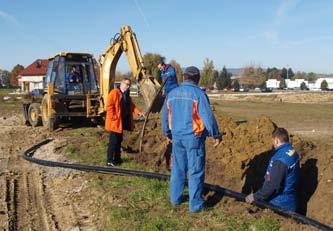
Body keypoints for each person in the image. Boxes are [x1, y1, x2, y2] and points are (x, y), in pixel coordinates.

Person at [162, 66, 222, 213]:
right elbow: (207, 117)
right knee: (195, 171)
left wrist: (167, 133)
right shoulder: (199, 94)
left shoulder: (172, 94)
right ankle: (195, 206)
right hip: (194, 138)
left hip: (177, 137)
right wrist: (215, 134)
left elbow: (164, 115)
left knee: (178, 169)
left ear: (184, 77)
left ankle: (175, 199)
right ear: (197, 79)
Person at [245, 128, 300, 212]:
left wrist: (255, 196)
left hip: (279, 204)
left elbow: (272, 186)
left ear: (276, 140)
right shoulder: (291, 151)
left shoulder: (280, 160)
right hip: (290, 200)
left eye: (273, 141)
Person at [105, 78, 144, 166]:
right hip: (115, 122)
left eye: (129, 85)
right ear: (122, 84)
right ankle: (109, 160)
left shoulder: (126, 95)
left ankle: (118, 159)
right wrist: (114, 117)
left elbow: (132, 106)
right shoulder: (114, 92)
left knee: (119, 141)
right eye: (127, 84)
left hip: (121, 122)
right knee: (113, 142)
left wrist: (139, 112)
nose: (128, 86)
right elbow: (109, 106)